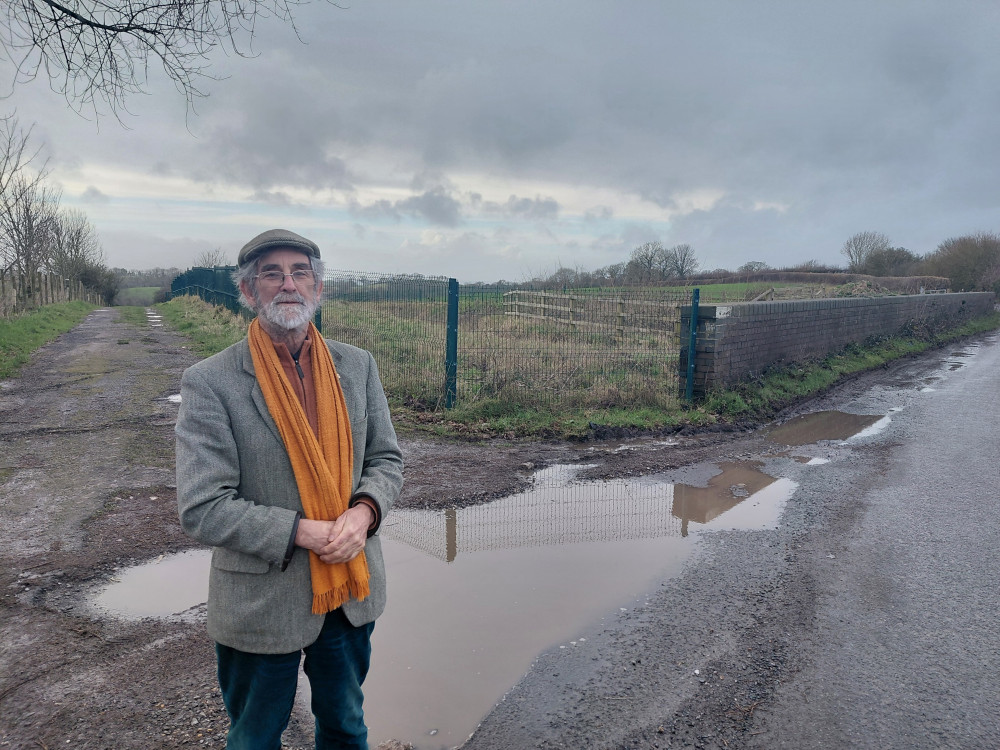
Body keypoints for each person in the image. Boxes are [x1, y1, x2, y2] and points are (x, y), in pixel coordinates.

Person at [175, 228, 404, 750]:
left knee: (346, 727)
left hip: (348, 588)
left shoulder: (357, 366)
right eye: (271, 274)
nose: (288, 285)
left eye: (300, 272)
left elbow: (386, 458)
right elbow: (202, 505)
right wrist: (301, 531)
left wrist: (364, 512)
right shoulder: (211, 381)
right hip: (260, 597)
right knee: (254, 737)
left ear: (317, 288)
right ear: (249, 291)